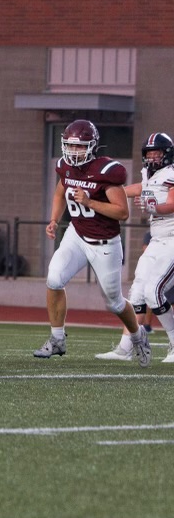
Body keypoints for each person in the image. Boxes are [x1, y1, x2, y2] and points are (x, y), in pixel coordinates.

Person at [33, 119, 150, 366]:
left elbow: (122, 212)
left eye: (80, 147)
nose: (74, 152)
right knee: (54, 278)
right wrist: (54, 219)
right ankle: (57, 339)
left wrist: (89, 202)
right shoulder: (65, 166)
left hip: (105, 243)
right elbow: (59, 192)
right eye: (70, 146)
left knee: (114, 302)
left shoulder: (107, 171)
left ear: (92, 146)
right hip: (76, 234)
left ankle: (138, 337)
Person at [95, 132, 174, 363]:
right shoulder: (150, 174)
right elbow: (141, 187)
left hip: (172, 238)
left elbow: (170, 203)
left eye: (157, 153)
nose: (152, 158)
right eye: (149, 153)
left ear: (167, 154)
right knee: (137, 292)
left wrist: (155, 207)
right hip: (158, 240)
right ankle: (125, 347)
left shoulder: (171, 174)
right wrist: (110, 194)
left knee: (154, 291)